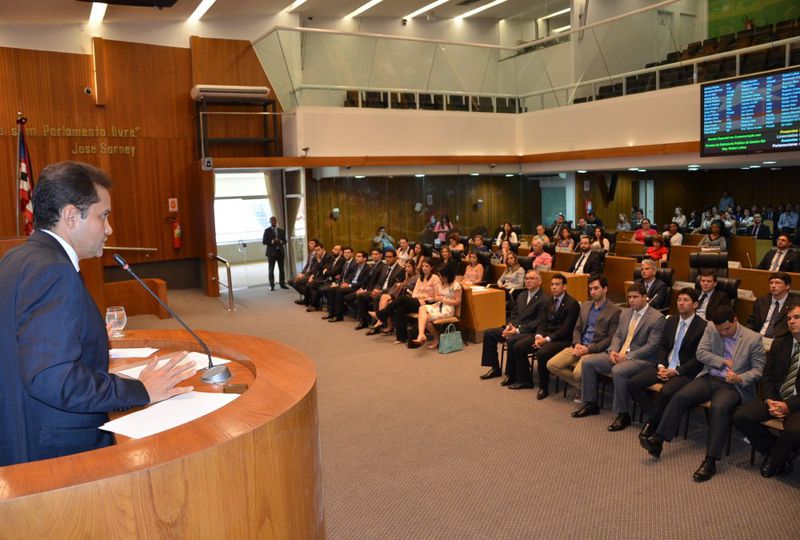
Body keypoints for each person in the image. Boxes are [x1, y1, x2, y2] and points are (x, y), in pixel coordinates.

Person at [0, 161, 196, 466]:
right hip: (58, 452)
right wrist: (141, 390)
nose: (109, 228)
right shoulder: (54, 271)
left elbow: (24, 345)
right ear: (70, 216)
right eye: (102, 216)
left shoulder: (17, 258)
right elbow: (53, 379)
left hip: (19, 431)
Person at [641, 305, 765, 482]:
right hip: (710, 377)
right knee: (680, 396)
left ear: (736, 320)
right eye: (719, 330)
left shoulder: (753, 339)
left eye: (727, 329)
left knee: (719, 408)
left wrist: (740, 378)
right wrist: (722, 361)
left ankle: (710, 460)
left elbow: (759, 370)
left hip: (732, 386)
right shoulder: (711, 328)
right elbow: (701, 353)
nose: (723, 333)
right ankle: (658, 441)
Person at [571, 282, 666, 420]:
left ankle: (623, 414)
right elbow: (617, 335)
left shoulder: (657, 318)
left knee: (618, 371)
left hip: (641, 359)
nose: (631, 300)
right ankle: (591, 404)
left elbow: (652, 346)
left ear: (645, 297)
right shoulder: (626, 313)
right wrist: (613, 351)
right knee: (588, 362)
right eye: (629, 297)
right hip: (619, 353)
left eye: (635, 297)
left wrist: (627, 356)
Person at [628, 288, 707, 438]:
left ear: (695, 304)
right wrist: (661, 366)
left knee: (666, 392)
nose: (681, 303)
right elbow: (663, 347)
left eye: (686, 300)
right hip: (665, 366)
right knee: (633, 383)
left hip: (683, 371)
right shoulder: (671, 320)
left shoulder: (702, 326)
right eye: (679, 300)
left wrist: (676, 371)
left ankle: (652, 423)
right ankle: (656, 416)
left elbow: (699, 358)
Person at [733, 302, 800, 479]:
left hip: (796, 403)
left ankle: (774, 460)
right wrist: (769, 399)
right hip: (776, 397)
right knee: (741, 416)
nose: (791, 322)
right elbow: (767, 375)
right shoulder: (780, 343)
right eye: (789, 318)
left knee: (794, 431)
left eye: (797, 317)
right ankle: (776, 453)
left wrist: (788, 406)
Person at [547, 275, 621, 400]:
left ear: (605, 289)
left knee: (577, 373)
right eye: (590, 289)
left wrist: (589, 349)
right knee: (552, 364)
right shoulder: (586, 305)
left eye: (596, 288)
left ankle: (585, 386)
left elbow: (610, 338)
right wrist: (576, 343)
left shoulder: (614, 311)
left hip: (594, 349)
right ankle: (583, 386)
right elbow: (577, 328)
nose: (592, 291)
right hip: (579, 345)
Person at [508, 274, 580, 398]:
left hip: (561, 339)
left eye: (557, 284)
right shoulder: (550, 301)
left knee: (542, 353)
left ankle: (544, 387)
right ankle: (525, 380)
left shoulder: (572, 304)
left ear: (565, 287)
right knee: (519, 346)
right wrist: (538, 336)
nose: (554, 287)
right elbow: (542, 322)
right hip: (545, 335)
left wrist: (545, 340)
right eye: (552, 284)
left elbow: (565, 330)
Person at [478, 271, 548, 384]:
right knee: (489, 333)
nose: (528, 281)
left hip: (530, 332)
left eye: (532, 278)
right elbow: (513, 314)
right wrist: (509, 326)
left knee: (512, 340)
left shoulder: (544, 299)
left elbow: (539, 322)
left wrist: (518, 330)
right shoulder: (522, 295)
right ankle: (495, 368)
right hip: (515, 328)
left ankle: (511, 374)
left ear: (539, 281)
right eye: (527, 278)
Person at [375, 258, 441, 345]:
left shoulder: (435, 278)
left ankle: (382, 314)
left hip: (429, 303)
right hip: (418, 300)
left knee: (402, 299)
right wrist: (420, 296)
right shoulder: (420, 278)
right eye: (423, 266)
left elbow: (437, 296)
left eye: (427, 266)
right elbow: (414, 294)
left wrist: (426, 298)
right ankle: (401, 338)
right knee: (400, 308)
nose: (424, 268)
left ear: (431, 267)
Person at [410, 266, 462, 349]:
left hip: (448, 308)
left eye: (441, 276)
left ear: (447, 275)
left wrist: (442, 299)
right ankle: (422, 334)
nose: (440, 278)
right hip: (439, 305)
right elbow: (438, 296)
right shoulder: (442, 283)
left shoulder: (456, 285)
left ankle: (432, 337)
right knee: (422, 309)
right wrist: (434, 297)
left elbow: (458, 302)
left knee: (425, 317)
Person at [325, 250, 371, 322]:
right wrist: (345, 283)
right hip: (350, 285)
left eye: (359, 257)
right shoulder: (355, 266)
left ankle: (339, 316)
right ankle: (331, 313)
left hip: (356, 287)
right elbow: (350, 277)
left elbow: (363, 282)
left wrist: (349, 285)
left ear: (365, 259)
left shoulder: (367, 268)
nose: (357, 258)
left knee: (339, 290)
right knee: (332, 289)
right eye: (356, 256)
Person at [747, 272, 793, 339]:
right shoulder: (761, 300)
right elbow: (752, 322)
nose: (773, 285)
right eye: (771, 283)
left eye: (777, 283)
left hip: (780, 341)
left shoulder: (795, 303)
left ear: (787, 286)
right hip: (759, 338)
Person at [288, 238, 319, 303]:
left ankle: (308, 298)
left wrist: (304, 275)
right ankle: (308, 297)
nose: (309, 245)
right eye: (309, 243)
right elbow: (307, 265)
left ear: (316, 245)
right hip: (306, 274)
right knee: (290, 281)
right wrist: (302, 273)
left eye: (312, 243)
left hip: (312, 275)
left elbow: (315, 268)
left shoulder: (318, 254)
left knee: (297, 282)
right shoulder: (310, 254)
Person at [262, 215, 288, 291]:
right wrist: (271, 241)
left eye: (275, 220)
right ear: (270, 222)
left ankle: (282, 284)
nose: (273, 222)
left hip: (280, 252)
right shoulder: (267, 231)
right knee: (271, 269)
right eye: (272, 220)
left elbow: (285, 241)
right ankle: (271, 285)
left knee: (281, 269)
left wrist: (280, 241)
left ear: (276, 221)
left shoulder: (281, 230)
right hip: (271, 253)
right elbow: (264, 242)